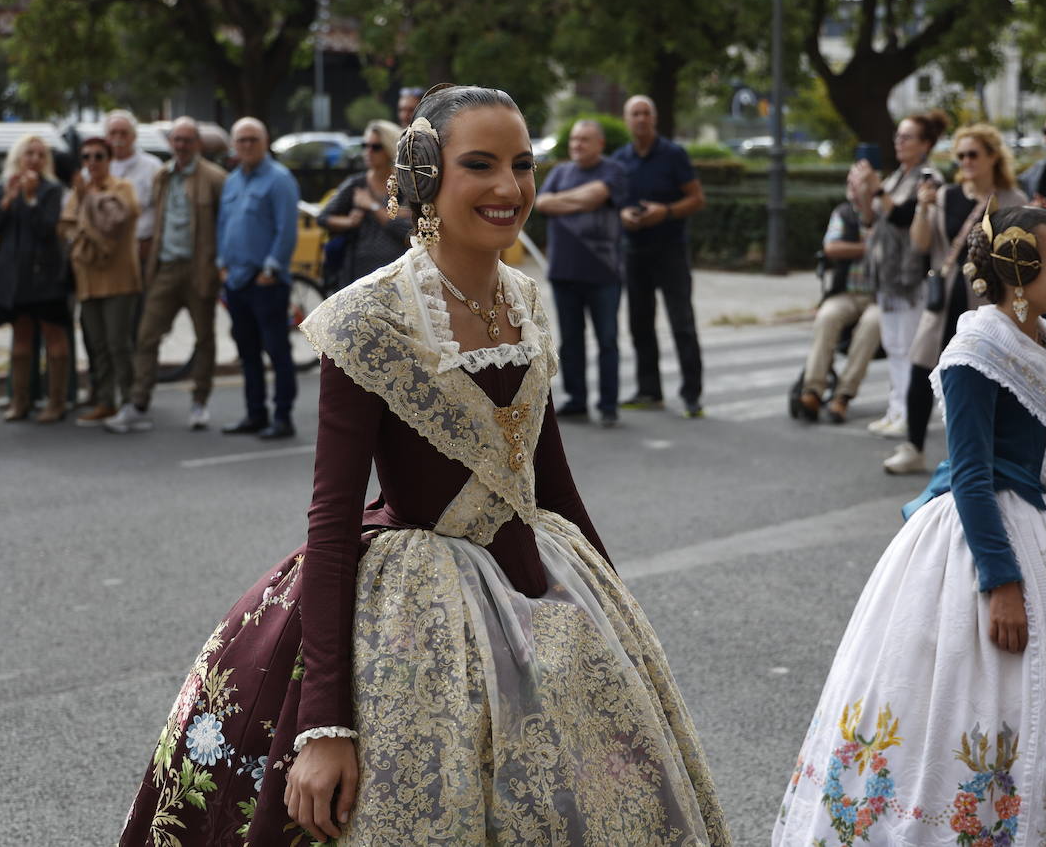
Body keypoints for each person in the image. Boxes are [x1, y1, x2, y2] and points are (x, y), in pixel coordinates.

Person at [118, 84, 730, 846]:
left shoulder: (529, 302)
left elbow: (553, 483)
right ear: (425, 176)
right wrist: (325, 726)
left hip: (539, 577)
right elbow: (332, 522)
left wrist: (615, 629)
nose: (509, 188)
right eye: (480, 165)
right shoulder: (365, 318)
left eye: (523, 165)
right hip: (414, 617)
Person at [772, 205, 1046, 844]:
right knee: (973, 699)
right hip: (986, 534)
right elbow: (970, 472)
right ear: (1020, 273)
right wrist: (1001, 582)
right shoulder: (976, 348)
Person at [884, 123, 1027, 474]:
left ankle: (986, 453)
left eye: (973, 154)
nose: (965, 161)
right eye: (960, 155)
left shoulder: (1013, 200)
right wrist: (922, 208)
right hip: (945, 297)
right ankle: (913, 447)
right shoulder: (946, 195)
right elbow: (921, 244)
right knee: (922, 367)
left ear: (993, 157)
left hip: (987, 300)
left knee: (981, 374)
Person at [105, 118, 227, 434]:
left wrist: (220, 265)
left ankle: (200, 401)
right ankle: (138, 403)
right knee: (147, 336)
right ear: (170, 143)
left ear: (197, 144)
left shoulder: (215, 179)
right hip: (165, 267)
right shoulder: (162, 175)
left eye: (188, 140)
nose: (182, 145)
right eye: (177, 140)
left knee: (204, 338)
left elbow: (223, 225)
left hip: (199, 267)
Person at [849, 109, 949, 440]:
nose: (899, 143)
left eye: (907, 137)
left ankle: (910, 412)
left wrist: (877, 191)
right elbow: (873, 221)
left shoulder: (928, 178)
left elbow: (905, 217)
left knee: (909, 345)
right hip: (887, 273)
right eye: (897, 137)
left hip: (911, 276)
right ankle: (895, 408)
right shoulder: (895, 178)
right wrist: (863, 194)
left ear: (925, 144)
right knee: (892, 344)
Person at [613, 95, 707, 417]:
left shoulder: (673, 154)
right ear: (627, 120)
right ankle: (649, 390)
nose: (640, 119)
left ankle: (692, 394)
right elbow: (612, 202)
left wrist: (665, 212)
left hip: (670, 250)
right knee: (640, 324)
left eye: (646, 114)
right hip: (634, 250)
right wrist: (623, 214)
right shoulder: (619, 159)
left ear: (653, 119)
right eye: (635, 114)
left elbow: (696, 199)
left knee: (682, 323)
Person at [535, 118, 628, 426]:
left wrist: (569, 200)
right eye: (574, 140)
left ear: (599, 144)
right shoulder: (561, 172)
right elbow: (542, 203)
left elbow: (596, 196)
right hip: (564, 272)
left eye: (584, 140)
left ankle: (608, 405)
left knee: (607, 341)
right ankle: (576, 401)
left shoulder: (613, 170)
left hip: (604, 274)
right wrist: (578, 200)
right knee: (570, 342)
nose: (577, 145)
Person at [216, 117, 300, 440]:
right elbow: (223, 225)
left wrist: (271, 269)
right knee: (247, 351)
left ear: (265, 142)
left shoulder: (280, 180)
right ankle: (255, 413)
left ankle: (283, 417)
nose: (247, 146)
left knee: (276, 351)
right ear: (234, 146)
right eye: (241, 141)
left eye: (253, 139)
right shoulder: (232, 181)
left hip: (266, 283)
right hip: (236, 281)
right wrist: (221, 264)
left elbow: (286, 231)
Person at [0, 134, 70, 423]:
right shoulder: (4, 187)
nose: (34, 159)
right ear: (17, 157)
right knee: (21, 337)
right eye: (28, 153)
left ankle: (57, 401)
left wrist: (31, 199)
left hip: (44, 274)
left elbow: (47, 229)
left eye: (40, 154)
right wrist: (8, 199)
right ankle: (20, 401)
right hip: (13, 275)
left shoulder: (52, 189)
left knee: (53, 334)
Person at [61, 137, 141, 426]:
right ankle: (105, 400)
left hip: (119, 279)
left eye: (98, 156)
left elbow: (118, 221)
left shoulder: (122, 188)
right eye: (86, 157)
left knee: (118, 343)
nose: (92, 163)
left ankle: (130, 401)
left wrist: (87, 202)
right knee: (97, 344)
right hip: (88, 279)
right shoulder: (78, 191)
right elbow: (66, 226)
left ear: (109, 160)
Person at [796, 201, 880, 423]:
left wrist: (854, 248)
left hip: (878, 296)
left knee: (873, 323)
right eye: (852, 185)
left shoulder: (887, 213)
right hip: (846, 292)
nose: (855, 191)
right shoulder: (844, 213)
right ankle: (812, 390)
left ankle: (843, 395)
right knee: (827, 316)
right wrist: (867, 248)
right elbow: (831, 248)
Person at [316, 119, 411, 290]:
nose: (368, 151)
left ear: (389, 148)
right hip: (357, 275)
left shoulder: (405, 187)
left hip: (397, 275)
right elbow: (322, 218)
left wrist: (372, 206)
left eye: (375, 147)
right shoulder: (357, 184)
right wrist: (349, 222)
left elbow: (408, 232)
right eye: (364, 145)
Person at [105, 109, 164, 268]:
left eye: (124, 133)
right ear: (106, 137)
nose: (118, 138)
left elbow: (162, 209)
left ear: (134, 136)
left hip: (142, 251)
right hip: (106, 252)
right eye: (113, 133)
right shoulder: (96, 167)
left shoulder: (153, 166)